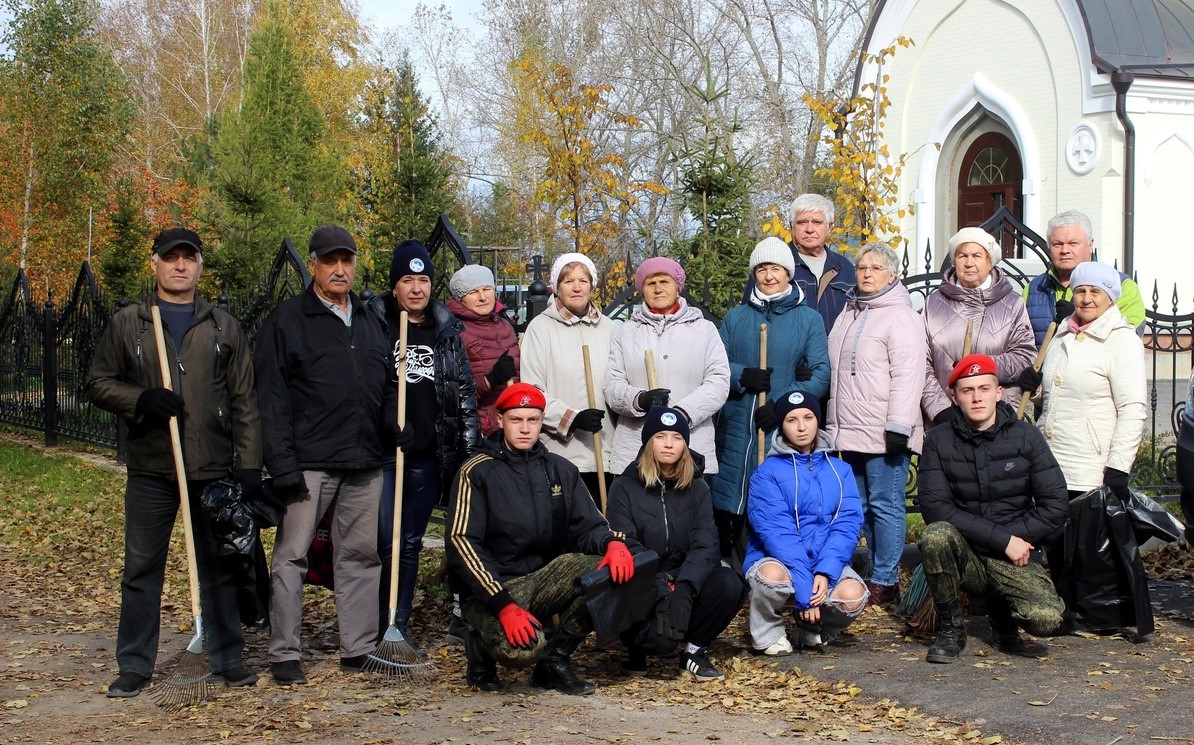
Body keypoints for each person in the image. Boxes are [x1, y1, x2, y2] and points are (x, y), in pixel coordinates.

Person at [87, 227, 262, 698]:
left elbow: (245, 399)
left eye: (189, 258)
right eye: (171, 258)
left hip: (211, 468)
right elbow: (98, 381)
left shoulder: (224, 325)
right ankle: (134, 664)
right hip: (153, 467)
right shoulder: (131, 323)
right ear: (156, 264)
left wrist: (248, 464)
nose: (179, 265)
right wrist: (141, 398)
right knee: (141, 569)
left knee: (220, 566)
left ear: (200, 266)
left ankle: (227, 656)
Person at [255, 225, 395, 685]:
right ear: (312, 264)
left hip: (365, 459)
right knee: (291, 556)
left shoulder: (371, 320)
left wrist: (394, 421)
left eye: (346, 260)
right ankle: (285, 653)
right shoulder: (289, 320)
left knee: (359, 555)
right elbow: (272, 399)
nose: (339, 269)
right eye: (329, 261)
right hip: (309, 460)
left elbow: (384, 384)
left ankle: (358, 647)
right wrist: (282, 464)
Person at [447, 383, 636, 695]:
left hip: (543, 578)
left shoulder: (560, 470)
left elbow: (588, 526)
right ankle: (480, 648)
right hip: (494, 587)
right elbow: (461, 542)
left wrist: (613, 543)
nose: (525, 429)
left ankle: (554, 663)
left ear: (541, 421)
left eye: (532, 420)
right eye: (516, 420)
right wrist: (503, 605)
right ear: (499, 420)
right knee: (521, 651)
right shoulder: (476, 472)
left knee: (611, 572)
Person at [917, 355, 1068, 663]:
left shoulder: (1026, 437)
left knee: (1046, 619)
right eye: (967, 390)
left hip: (1014, 556)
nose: (977, 397)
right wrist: (1002, 540)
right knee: (935, 536)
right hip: (966, 553)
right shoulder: (938, 440)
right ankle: (951, 628)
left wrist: (1014, 542)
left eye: (984, 388)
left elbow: (1055, 506)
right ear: (954, 398)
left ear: (999, 393)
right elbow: (935, 508)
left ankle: (1003, 613)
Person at [367, 240, 479, 648]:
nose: (417, 289)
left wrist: (467, 455)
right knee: (382, 540)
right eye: (407, 280)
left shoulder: (446, 331)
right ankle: (374, 625)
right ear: (394, 286)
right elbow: (363, 386)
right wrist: (382, 420)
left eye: (424, 280)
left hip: (426, 456)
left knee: (409, 542)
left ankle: (397, 625)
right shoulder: (374, 323)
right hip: (383, 454)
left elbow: (463, 395)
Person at [607, 406, 747, 681]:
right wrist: (662, 590)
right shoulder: (624, 487)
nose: (669, 444)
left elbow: (706, 544)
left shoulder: (698, 487)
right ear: (648, 442)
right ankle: (633, 645)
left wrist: (684, 589)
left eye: (677, 437)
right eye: (660, 436)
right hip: (643, 581)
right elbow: (628, 546)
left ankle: (694, 651)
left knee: (729, 583)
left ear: (685, 444)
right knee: (660, 643)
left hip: (683, 576)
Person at [712, 237, 830, 563]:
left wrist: (780, 405)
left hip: (781, 427)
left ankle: (776, 567)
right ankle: (733, 571)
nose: (768, 276)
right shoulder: (736, 318)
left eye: (775, 268)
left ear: (788, 273)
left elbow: (820, 375)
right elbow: (715, 367)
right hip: (738, 422)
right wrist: (741, 375)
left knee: (776, 500)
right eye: (762, 269)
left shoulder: (808, 319)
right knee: (733, 494)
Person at [826, 243, 927, 607]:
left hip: (885, 430)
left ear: (892, 275)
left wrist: (899, 424)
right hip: (850, 427)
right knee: (861, 504)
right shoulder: (849, 312)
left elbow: (909, 373)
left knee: (887, 503)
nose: (867, 273)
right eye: (862, 267)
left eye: (876, 268)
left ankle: (886, 578)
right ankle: (873, 574)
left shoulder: (902, 317)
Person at [744, 390, 867, 655]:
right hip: (779, 559)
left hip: (822, 557)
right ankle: (768, 633)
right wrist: (804, 587)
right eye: (791, 420)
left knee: (854, 595)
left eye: (808, 417)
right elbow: (778, 534)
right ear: (782, 426)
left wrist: (825, 571)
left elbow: (847, 524)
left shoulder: (840, 470)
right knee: (771, 578)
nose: (801, 426)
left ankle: (814, 629)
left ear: (817, 420)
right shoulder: (766, 473)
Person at [1018, 261, 1147, 497]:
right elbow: (1057, 392)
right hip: (1049, 463)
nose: (1087, 298)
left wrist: (1119, 465)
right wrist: (1035, 389)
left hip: (1090, 470)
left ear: (1110, 297)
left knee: (1085, 534)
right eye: (1080, 291)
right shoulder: (1062, 332)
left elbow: (1132, 408)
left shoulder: (1122, 340)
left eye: (1095, 291)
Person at [604, 257, 730, 476]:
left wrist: (682, 414)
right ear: (642, 290)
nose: (658, 288)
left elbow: (718, 381)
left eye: (665, 281)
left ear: (677, 287)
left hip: (691, 444)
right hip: (637, 446)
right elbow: (612, 385)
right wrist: (639, 399)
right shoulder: (625, 332)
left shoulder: (704, 330)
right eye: (651, 283)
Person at [519, 253, 615, 500]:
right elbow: (532, 389)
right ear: (557, 287)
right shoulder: (541, 328)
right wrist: (571, 418)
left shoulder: (609, 328)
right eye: (568, 280)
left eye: (583, 280)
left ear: (592, 285)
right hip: (561, 450)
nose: (576, 287)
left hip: (605, 449)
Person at [922, 227, 1035, 426]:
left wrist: (979, 366)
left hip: (997, 417)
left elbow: (1024, 357)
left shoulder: (1012, 304)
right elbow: (920, 362)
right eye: (962, 255)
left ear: (989, 262)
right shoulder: (933, 303)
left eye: (976, 255)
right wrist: (940, 409)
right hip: (945, 420)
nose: (969, 263)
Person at [1022, 209, 1144, 346]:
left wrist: (1076, 320)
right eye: (1058, 244)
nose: (1064, 250)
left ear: (1090, 245)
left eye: (1073, 243)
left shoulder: (1121, 286)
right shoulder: (1034, 289)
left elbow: (1127, 342)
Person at [742, 194, 857, 333]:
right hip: (787, 353)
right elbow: (748, 319)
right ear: (791, 227)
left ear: (829, 227)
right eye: (802, 222)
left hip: (832, 353)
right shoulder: (771, 266)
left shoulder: (845, 268)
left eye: (817, 222)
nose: (809, 229)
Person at [446, 263, 519, 437]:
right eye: (473, 292)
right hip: (481, 431)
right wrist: (490, 380)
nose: (482, 297)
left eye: (487, 289)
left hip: (513, 426)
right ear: (460, 299)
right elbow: (451, 392)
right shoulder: (455, 332)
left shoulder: (505, 326)